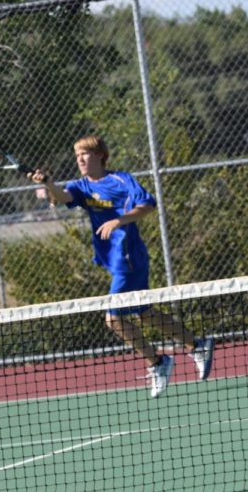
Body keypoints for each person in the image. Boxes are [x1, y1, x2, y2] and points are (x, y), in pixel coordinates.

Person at [29, 135, 214, 398]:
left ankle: (158, 362)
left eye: (85, 154)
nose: (80, 159)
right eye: (77, 155)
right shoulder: (80, 186)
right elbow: (62, 196)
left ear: (100, 156)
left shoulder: (120, 180)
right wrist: (48, 183)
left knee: (113, 318)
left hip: (128, 258)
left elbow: (148, 204)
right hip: (114, 258)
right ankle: (197, 345)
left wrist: (120, 220)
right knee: (145, 314)